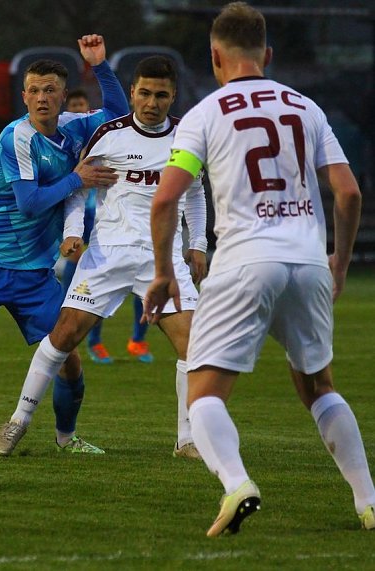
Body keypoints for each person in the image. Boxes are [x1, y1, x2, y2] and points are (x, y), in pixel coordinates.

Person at [144, 1, 374, 536]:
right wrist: (337, 259)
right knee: (319, 387)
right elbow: (349, 191)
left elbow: (164, 202)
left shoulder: (204, 114)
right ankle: (367, 500)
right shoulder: (306, 108)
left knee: (203, 395)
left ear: (216, 57)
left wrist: (163, 273)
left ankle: (237, 484)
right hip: (308, 261)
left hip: (245, 262)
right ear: (266, 54)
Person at [0, 55, 208, 458]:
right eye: (144, 93)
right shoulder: (109, 134)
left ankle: (187, 440)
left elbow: (195, 192)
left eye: (161, 95)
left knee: (193, 346)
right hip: (107, 254)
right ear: (132, 93)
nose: (152, 102)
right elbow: (79, 187)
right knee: (62, 337)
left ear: (172, 97)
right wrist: (74, 234)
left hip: (163, 260)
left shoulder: (188, 138)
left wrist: (197, 244)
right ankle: (18, 420)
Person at [0, 34, 129, 455]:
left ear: (64, 97)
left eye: (51, 90)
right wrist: (77, 178)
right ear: (24, 96)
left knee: (69, 362)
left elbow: (119, 114)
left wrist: (99, 65)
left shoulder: (76, 127)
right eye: (35, 90)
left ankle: (66, 438)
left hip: (36, 272)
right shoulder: (16, 138)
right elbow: (28, 204)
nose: (42, 98)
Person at [60, 89, 154, 365]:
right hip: (86, 222)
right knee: (83, 281)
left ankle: (137, 339)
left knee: (142, 281)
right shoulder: (68, 145)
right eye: (73, 108)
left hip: (111, 222)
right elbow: (68, 193)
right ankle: (93, 340)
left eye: (82, 107)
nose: (78, 111)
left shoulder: (108, 139)